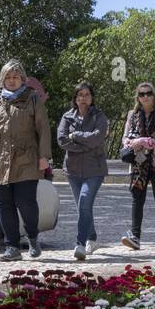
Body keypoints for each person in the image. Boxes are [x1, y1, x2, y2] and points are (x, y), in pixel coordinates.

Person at [0, 59, 52, 262]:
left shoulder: (32, 98)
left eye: (15, 77)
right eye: (8, 77)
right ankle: (12, 246)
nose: (11, 80)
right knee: (5, 204)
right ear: (2, 80)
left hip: (26, 158)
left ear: (22, 79)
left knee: (25, 202)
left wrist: (44, 156)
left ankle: (33, 237)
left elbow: (43, 128)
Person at [56, 81, 108, 260]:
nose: (84, 98)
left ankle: (80, 243)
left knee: (84, 201)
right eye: (80, 95)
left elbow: (96, 138)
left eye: (87, 95)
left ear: (92, 98)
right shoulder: (67, 117)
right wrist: (84, 146)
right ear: (75, 98)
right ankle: (92, 239)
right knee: (82, 207)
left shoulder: (99, 116)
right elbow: (62, 140)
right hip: (72, 170)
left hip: (95, 169)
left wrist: (76, 136)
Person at [120, 82, 155, 249]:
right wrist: (133, 142)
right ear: (138, 97)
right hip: (138, 164)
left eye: (148, 93)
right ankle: (135, 236)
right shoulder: (132, 115)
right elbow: (125, 139)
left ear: (154, 95)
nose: (145, 97)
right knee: (137, 198)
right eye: (142, 94)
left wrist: (145, 142)